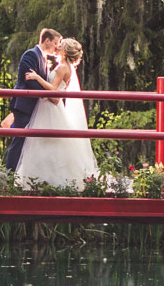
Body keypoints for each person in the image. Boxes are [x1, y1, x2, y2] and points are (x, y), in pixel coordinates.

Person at [12, 38, 99, 189]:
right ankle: (47, 181)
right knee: (49, 143)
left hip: (50, 108)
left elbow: (53, 90)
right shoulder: (66, 67)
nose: (58, 47)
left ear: (65, 51)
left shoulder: (61, 68)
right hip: (49, 107)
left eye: (61, 46)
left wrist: (37, 77)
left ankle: (46, 182)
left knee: (47, 143)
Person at [4, 28, 61, 170]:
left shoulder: (43, 58)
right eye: (55, 43)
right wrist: (49, 95)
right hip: (24, 105)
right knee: (19, 141)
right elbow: (30, 82)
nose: (57, 47)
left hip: (35, 107)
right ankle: (9, 175)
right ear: (46, 40)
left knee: (30, 142)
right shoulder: (31, 54)